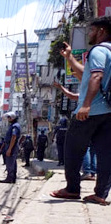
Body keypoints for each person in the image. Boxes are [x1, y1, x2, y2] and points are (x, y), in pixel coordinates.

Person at [51, 16, 111, 205]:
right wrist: (69, 57)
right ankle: (101, 193)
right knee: (105, 154)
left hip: (91, 111)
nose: (89, 35)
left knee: (72, 148)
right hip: (108, 112)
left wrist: (85, 105)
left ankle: (72, 189)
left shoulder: (99, 50)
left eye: (92, 31)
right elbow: (85, 73)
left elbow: (96, 76)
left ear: (101, 31)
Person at [0, 112, 21, 183]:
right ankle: (12, 178)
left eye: (9, 117)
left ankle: (10, 178)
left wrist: (9, 149)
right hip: (10, 145)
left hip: (12, 145)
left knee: (10, 162)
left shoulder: (15, 126)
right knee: (12, 162)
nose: (8, 119)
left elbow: (13, 137)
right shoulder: (13, 125)